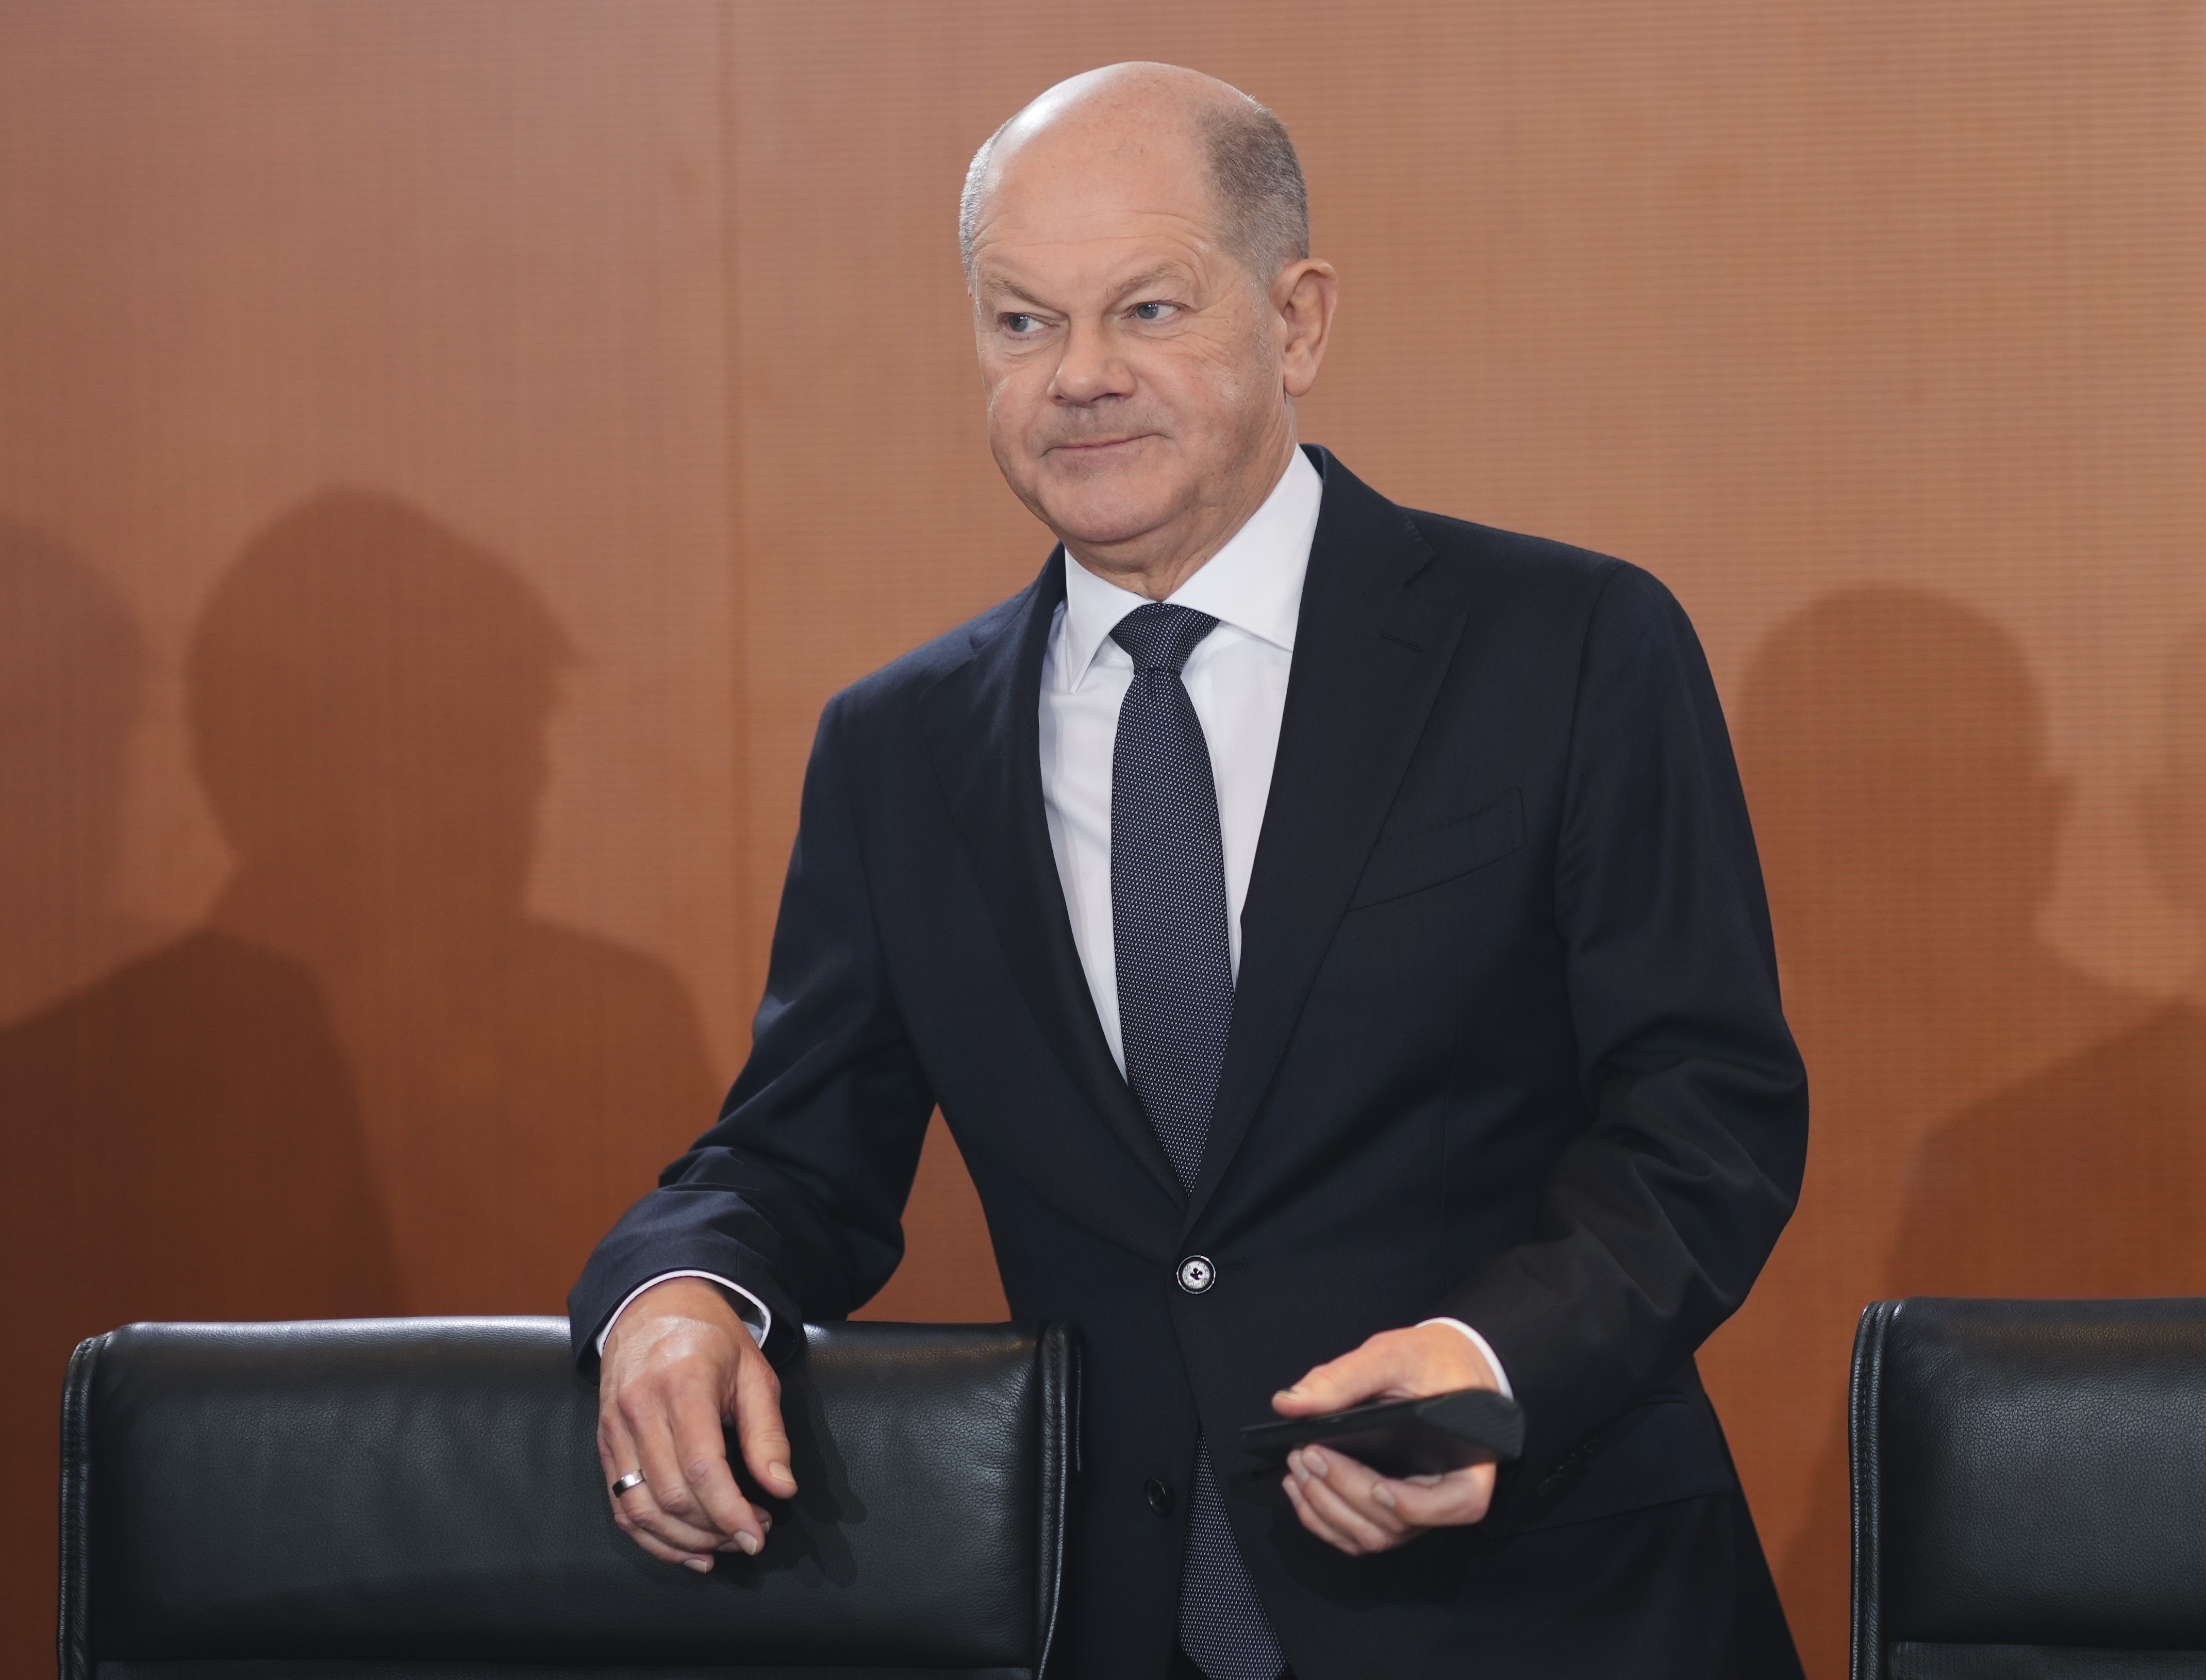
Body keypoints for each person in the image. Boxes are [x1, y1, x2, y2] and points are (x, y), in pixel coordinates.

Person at [571, 62, 1806, 1679]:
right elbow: (796, 1155)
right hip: (1113, 1614)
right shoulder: (900, 748)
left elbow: (1701, 1103)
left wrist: (1496, 1353)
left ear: (1294, 321)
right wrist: (677, 1294)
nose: (1079, 376)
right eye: (1021, 324)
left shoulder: (1566, 645)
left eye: (1146, 309)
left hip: (1544, 1599)